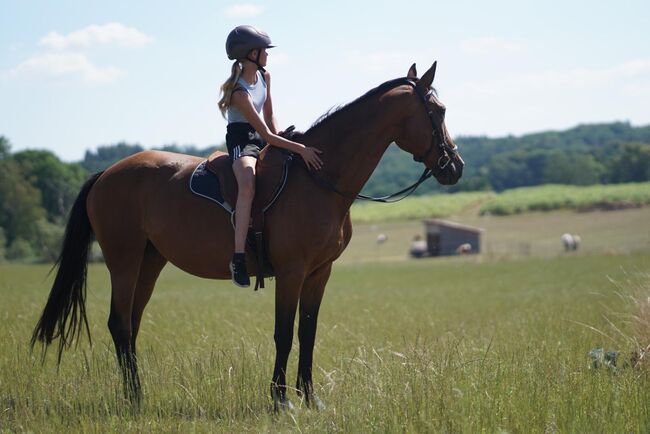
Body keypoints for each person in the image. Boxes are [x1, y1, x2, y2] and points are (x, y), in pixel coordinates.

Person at [218, 25, 323, 287]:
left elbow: (270, 118)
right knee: (248, 185)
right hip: (242, 141)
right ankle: (239, 257)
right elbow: (262, 132)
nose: (268, 54)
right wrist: (301, 149)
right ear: (252, 53)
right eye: (264, 50)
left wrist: (283, 139)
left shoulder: (265, 77)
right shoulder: (239, 93)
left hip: (264, 135)